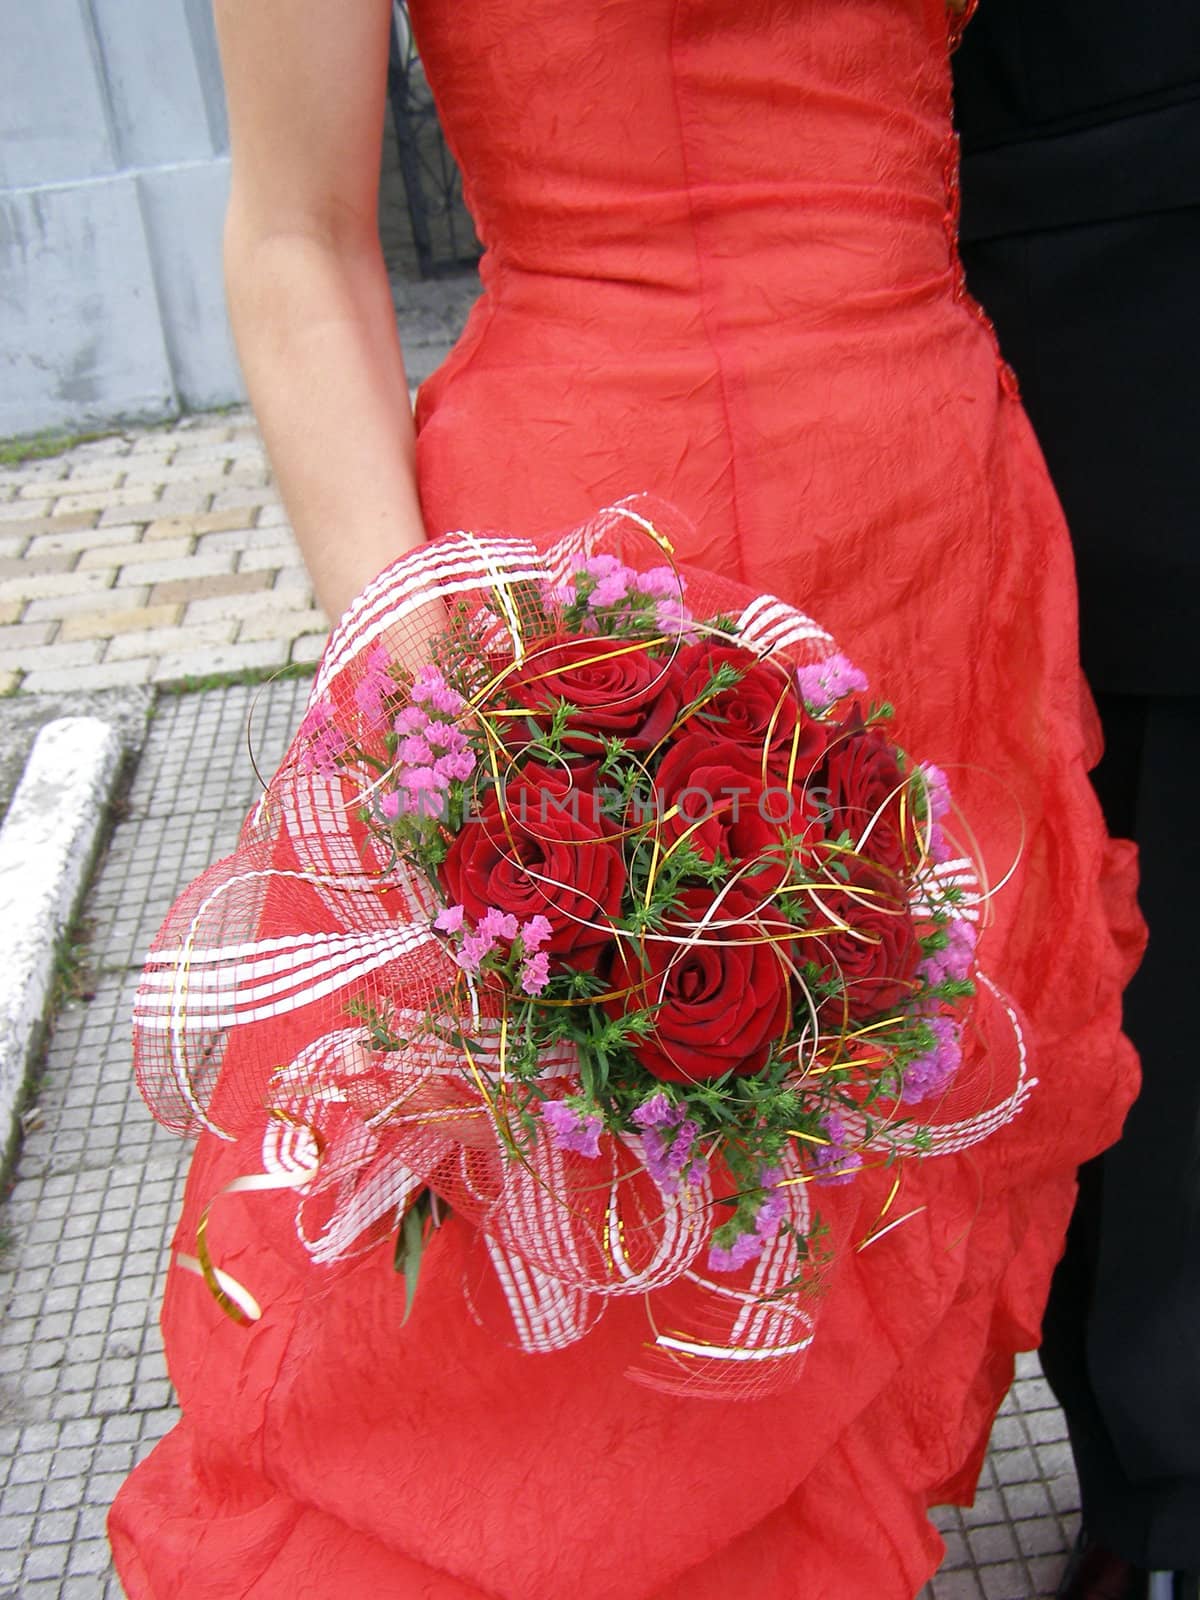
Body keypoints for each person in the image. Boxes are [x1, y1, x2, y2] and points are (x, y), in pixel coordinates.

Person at [107, 3, 1143, 1595]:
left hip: (933, 554)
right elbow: (300, 238)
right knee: (548, 1300)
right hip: (591, 586)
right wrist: (415, 667)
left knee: (864, 1199)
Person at [954, 6, 1200, 1598]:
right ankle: (1130, 1476)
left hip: (1144, 296)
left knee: (1164, 1003)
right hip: (850, 360)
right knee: (982, 990)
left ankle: (1170, 1501)